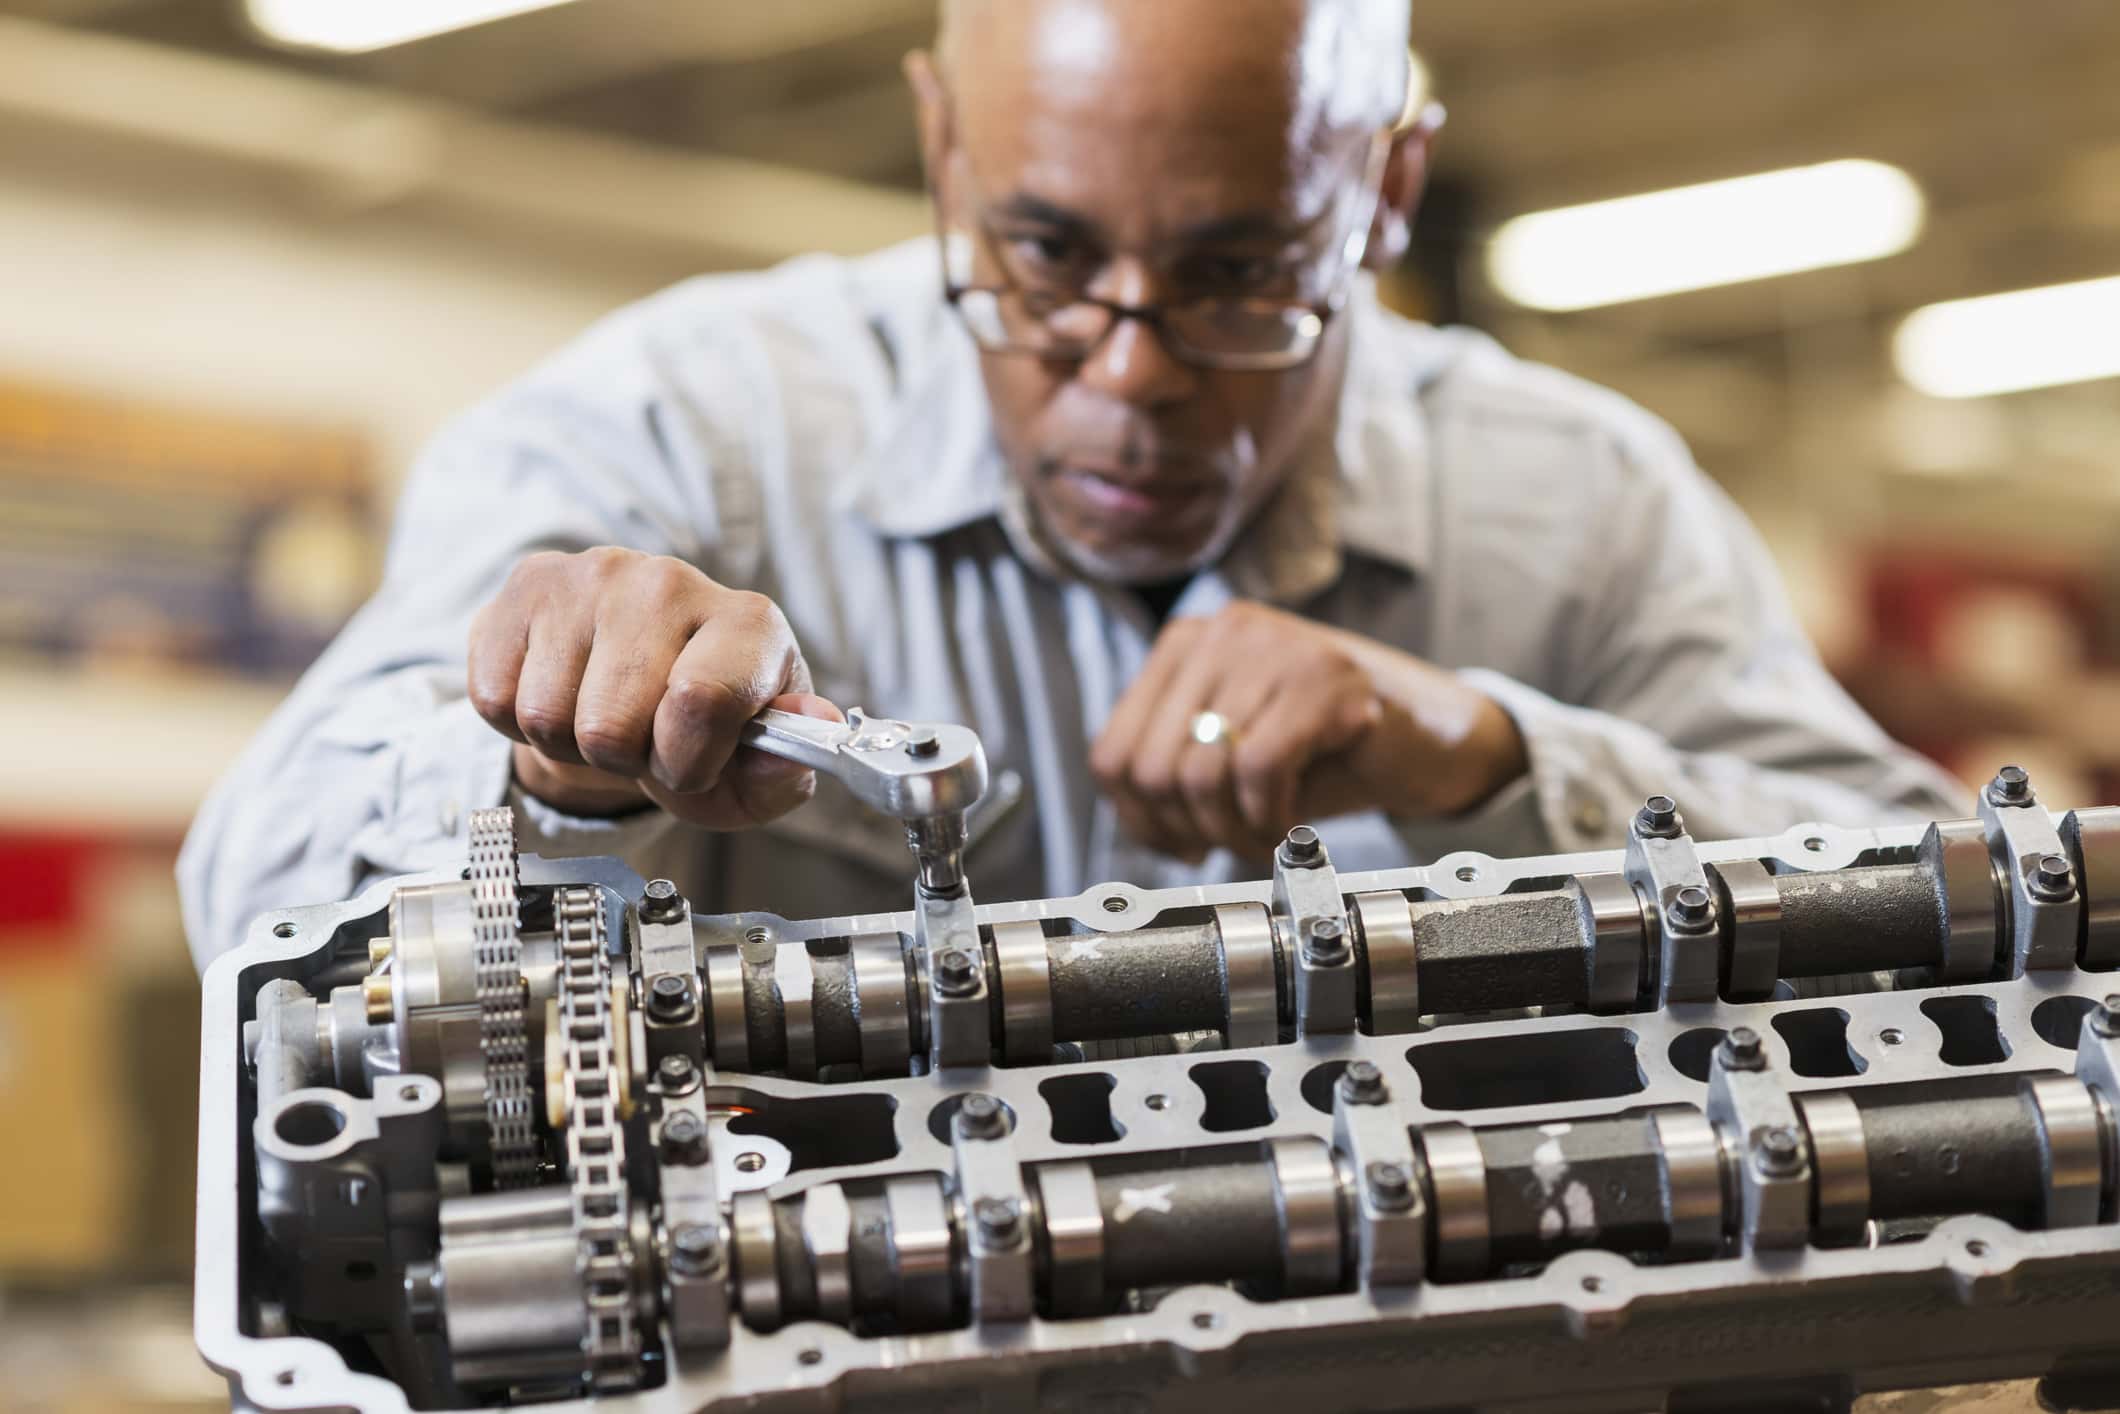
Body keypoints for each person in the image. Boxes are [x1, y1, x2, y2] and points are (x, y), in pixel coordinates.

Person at [179, 0, 1963, 966]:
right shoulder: (672, 430)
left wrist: (1488, 757)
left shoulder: (1581, 505)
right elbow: (253, 904)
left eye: (1239, 274)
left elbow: (1949, 904)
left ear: (1388, 193)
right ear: (941, 148)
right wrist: (545, 772)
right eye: (1042, 257)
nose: (1130, 378)